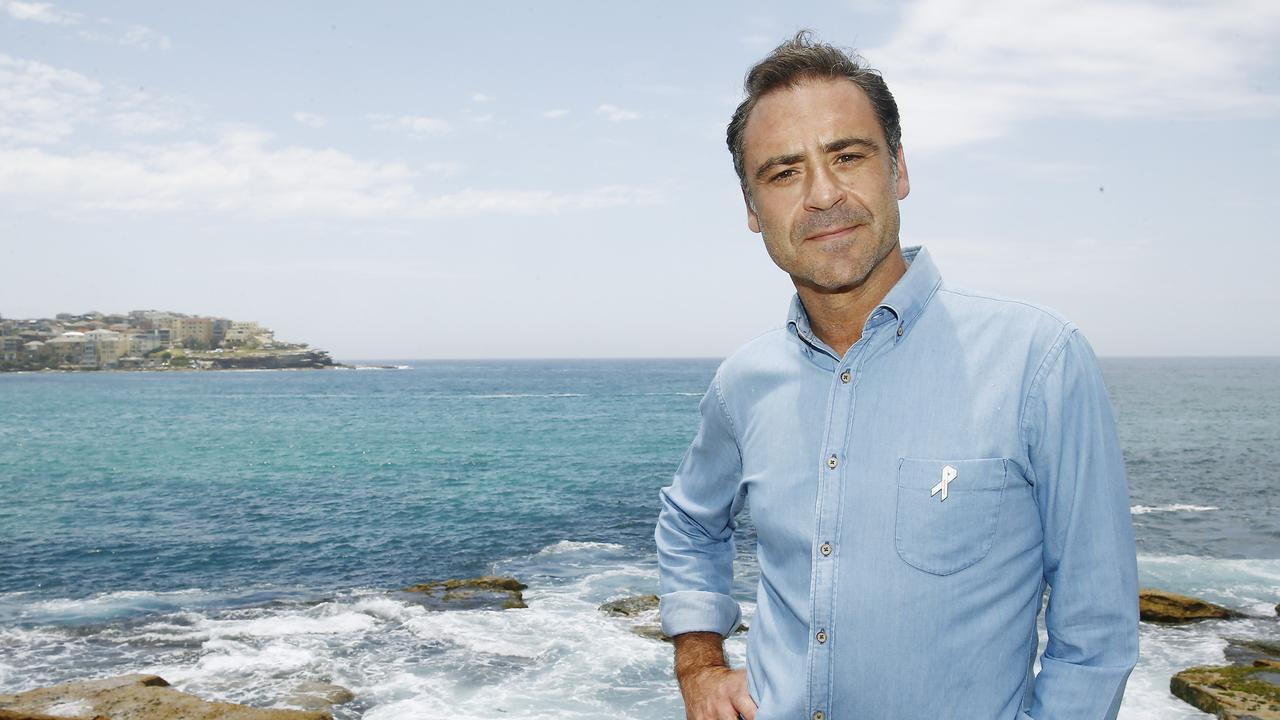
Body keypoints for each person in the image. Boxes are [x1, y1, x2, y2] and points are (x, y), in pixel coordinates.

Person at [655, 31, 1139, 720]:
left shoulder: (1041, 361)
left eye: (848, 156)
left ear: (899, 169)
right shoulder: (742, 384)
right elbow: (689, 523)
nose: (823, 195)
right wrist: (699, 664)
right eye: (784, 172)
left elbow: (1096, 633)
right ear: (753, 211)